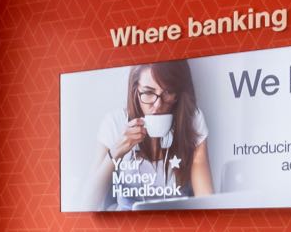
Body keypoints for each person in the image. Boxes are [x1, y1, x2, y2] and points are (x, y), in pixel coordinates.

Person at [79, 60, 213, 210]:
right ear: (135, 89)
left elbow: (205, 197)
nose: (158, 106)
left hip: (176, 224)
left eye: (168, 92)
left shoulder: (191, 120)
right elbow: (87, 204)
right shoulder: (115, 123)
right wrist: (117, 151)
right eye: (149, 92)